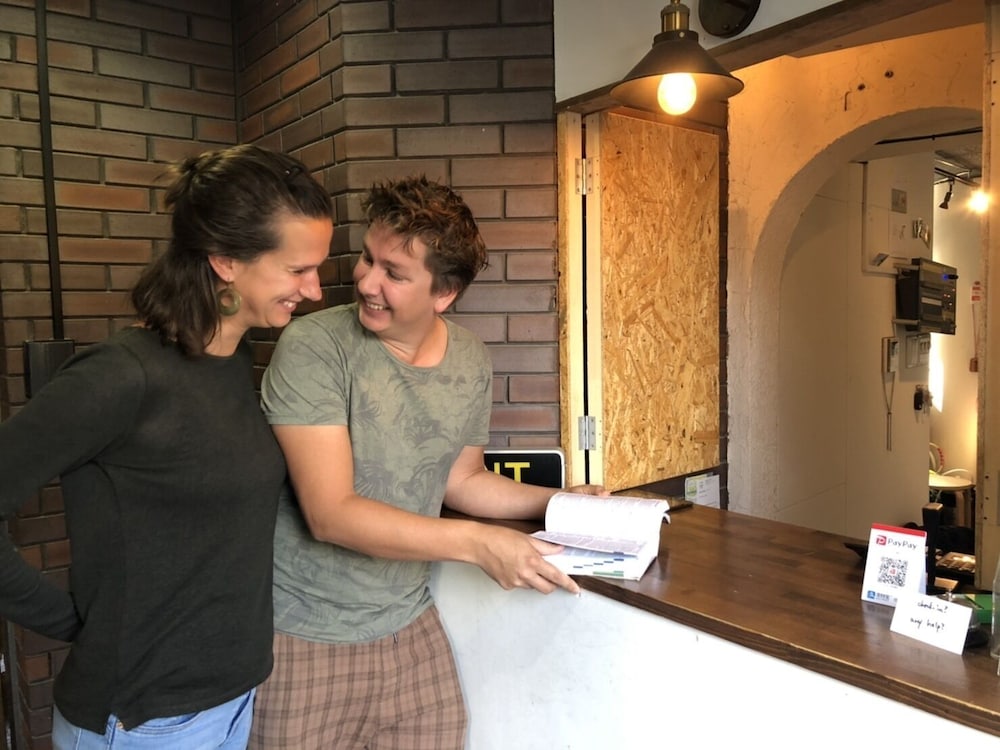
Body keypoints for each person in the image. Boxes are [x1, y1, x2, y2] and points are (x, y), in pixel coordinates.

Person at [250, 175, 606, 750]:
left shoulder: (469, 358)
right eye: (368, 258)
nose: (365, 281)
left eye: (393, 273)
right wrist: (477, 543)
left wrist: (559, 501)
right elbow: (330, 514)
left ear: (445, 294)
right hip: (306, 634)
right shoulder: (315, 346)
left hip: (411, 629)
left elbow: (462, 479)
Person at [0, 144, 333, 749]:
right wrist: (73, 621)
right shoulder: (119, 377)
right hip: (143, 721)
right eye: (297, 270)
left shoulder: (233, 362)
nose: (312, 290)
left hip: (230, 700)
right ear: (225, 260)